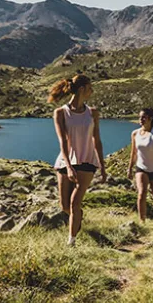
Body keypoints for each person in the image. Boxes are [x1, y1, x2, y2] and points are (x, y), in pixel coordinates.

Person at [48, 74, 107, 246]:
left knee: (74, 203)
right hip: (66, 162)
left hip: (87, 161)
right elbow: (62, 141)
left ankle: (71, 242)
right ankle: (78, 219)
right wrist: (68, 166)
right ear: (82, 89)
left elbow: (97, 140)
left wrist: (102, 167)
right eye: (90, 88)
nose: (92, 91)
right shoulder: (60, 113)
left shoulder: (93, 113)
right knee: (65, 206)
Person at [127, 108, 153, 223]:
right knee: (141, 193)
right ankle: (142, 221)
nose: (141, 119)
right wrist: (129, 169)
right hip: (141, 168)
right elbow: (133, 153)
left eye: (143, 117)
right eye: (140, 117)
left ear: (150, 119)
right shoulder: (135, 134)